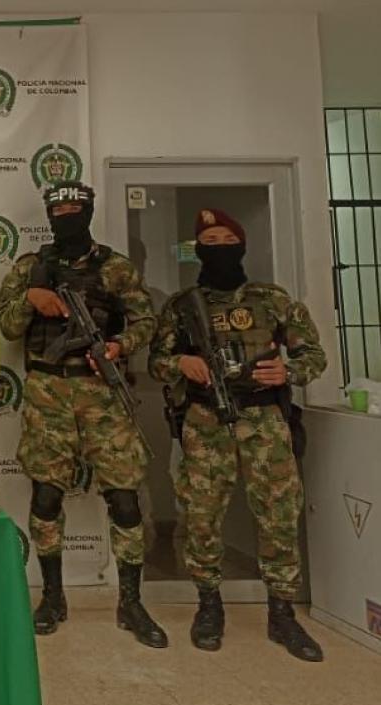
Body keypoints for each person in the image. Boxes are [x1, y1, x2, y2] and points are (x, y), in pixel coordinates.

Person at [148, 208, 326, 661]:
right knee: (202, 517)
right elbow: (156, 361)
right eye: (210, 239)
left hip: (265, 421)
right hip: (206, 422)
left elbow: (313, 356)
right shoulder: (183, 305)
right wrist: (180, 365)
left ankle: (282, 612)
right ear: (198, 249)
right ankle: (209, 605)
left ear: (242, 245)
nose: (220, 245)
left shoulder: (273, 300)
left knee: (278, 517)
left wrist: (287, 370)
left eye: (228, 238)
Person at [0, 181, 167, 648]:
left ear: (89, 212)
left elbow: (146, 322)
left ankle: (131, 601)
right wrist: (32, 299)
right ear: (49, 215)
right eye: (59, 209)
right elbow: (8, 327)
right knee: (47, 497)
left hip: (103, 393)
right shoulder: (31, 267)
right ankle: (52, 596)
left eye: (75, 208)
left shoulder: (115, 268)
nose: (67, 215)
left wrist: (118, 345)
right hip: (48, 391)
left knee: (126, 499)